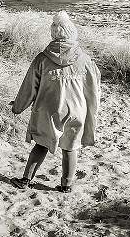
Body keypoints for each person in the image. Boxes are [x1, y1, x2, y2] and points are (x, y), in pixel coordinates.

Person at [10, 11, 101, 193]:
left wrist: (18, 106)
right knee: (70, 147)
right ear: (71, 33)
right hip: (76, 109)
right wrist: (91, 110)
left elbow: (29, 87)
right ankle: (66, 185)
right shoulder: (84, 60)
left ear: (54, 34)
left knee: (41, 144)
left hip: (47, 109)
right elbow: (93, 88)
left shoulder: (42, 59)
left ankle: (26, 180)